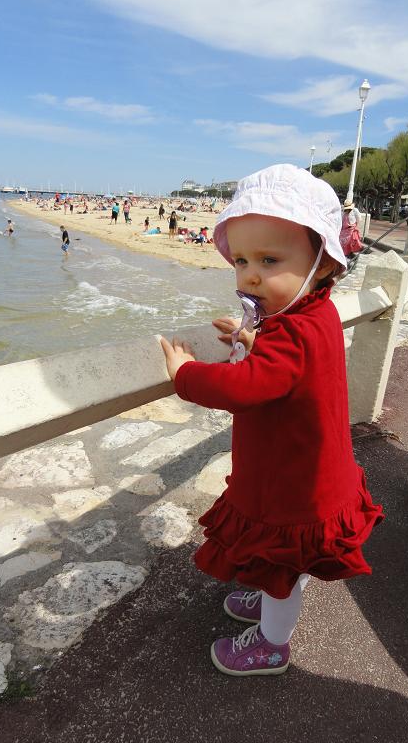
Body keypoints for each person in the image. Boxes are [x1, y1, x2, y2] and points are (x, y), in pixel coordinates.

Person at [160, 164, 383, 677]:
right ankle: (271, 605)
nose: (250, 275)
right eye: (240, 260)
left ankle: (272, 645)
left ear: (323, 265)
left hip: (292, 487)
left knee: (282, 564)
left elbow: (248, 387)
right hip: (311, 472)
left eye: (269, 259)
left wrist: (186, 374)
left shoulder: (290, 332)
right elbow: (289, 370)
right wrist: (252, 339)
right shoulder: (314, 315)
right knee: (286, 564)